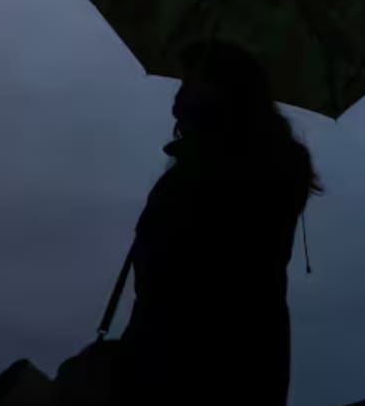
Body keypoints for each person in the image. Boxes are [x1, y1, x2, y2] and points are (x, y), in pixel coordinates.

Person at [114, 40, 322, 405]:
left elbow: (184, 270)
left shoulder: (243, 169)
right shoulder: (218, 164)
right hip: (192, 360)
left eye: (190, 82)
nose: (178, 97)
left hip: (201, 368)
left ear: (223, 93)